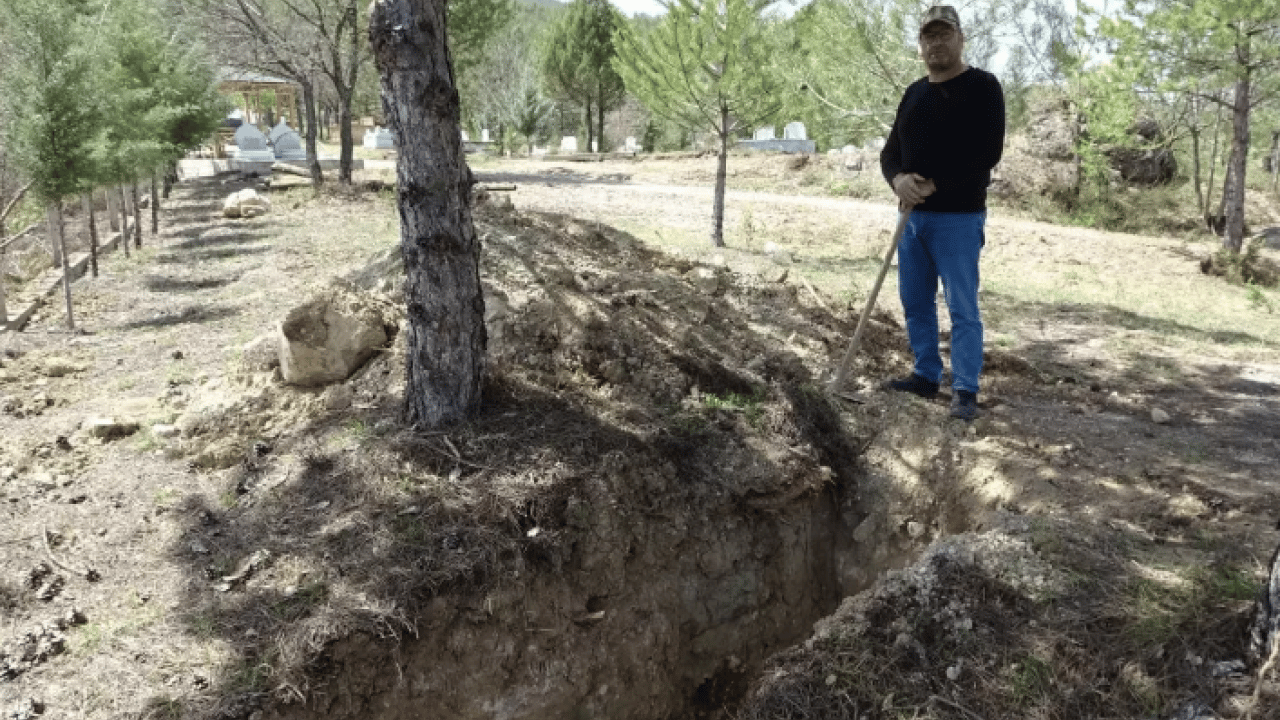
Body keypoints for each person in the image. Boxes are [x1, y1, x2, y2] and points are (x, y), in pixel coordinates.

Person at [879, 5, 1005, 421]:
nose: (936, 43)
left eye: (943, 34)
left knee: (962, 306)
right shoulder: (914, 93)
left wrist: (933, 185)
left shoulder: (983, 87)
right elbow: (890, 152)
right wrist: (898, 180)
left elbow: (986, 152)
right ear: (921, 45)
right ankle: (926, 375)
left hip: (959, 218)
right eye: (928, 37)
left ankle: (965, 388)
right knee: (914, 301)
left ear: (960, 38)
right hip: (912, 219)